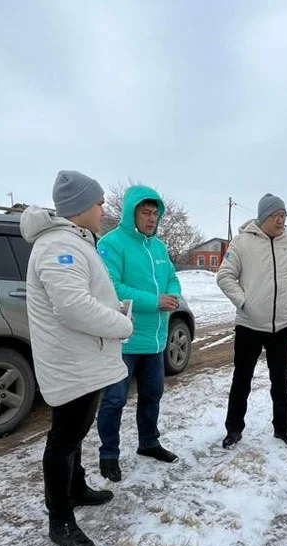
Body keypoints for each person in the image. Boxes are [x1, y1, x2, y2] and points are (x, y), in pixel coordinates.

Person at [21, 171, 134, 546]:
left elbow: (85, 296)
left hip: (85, 359)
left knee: (75, 435)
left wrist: (111, 310)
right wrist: (121, 323)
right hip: (71, 364)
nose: (104, 209)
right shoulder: (57, 246)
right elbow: (71, 306)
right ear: (81, 207)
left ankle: (77, 487)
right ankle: (60, 519)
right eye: (100, 202)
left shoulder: (75, 241)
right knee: (63, 440)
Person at [95, 185, 183, 481]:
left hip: (155, 340)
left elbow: (171, 277)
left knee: (152, 395)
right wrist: (154, 302)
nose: (151, 218)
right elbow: (112, 289)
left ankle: (149, 442)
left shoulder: (158, 247)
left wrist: (173, 294)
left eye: (155, 213)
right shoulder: (112, 243)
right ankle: (108, 454)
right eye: (145, 212)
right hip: (124, 340)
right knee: (113, 401)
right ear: (132, 212)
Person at [216, 193, 287, 450]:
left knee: (281, 382)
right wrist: (245, 302)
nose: (281, 220)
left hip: (282, 326)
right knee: (242, 380)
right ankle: (234, 429)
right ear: (263, 217)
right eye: (276, 216)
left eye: (284, 215)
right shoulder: (242, 243)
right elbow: (225, 276)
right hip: (249, 325)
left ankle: (284, 430)